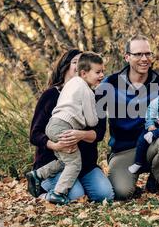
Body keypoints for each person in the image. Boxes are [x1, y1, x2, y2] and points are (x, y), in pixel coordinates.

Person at [95, 34, 159, 200]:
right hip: (123, 152)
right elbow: (94, 121)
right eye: (138, 54)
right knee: (121, 193)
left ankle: (154, 181)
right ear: (127, 57)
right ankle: (129, 182)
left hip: (152, 146)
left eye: (148, 54)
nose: (145, 59)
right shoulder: (110, 84)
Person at [28, 49, 114, 204]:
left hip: (85, 165)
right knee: (75, 196)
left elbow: (99, 133)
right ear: (66, 67)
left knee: (105, 195)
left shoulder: (95, 96)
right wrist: (55, 145)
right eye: (75, 62)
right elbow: (35, 134)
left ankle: (75, 184)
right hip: (54, 161)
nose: (80, 65)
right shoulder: (51, 95)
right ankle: (44, 190)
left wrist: (81, 134)